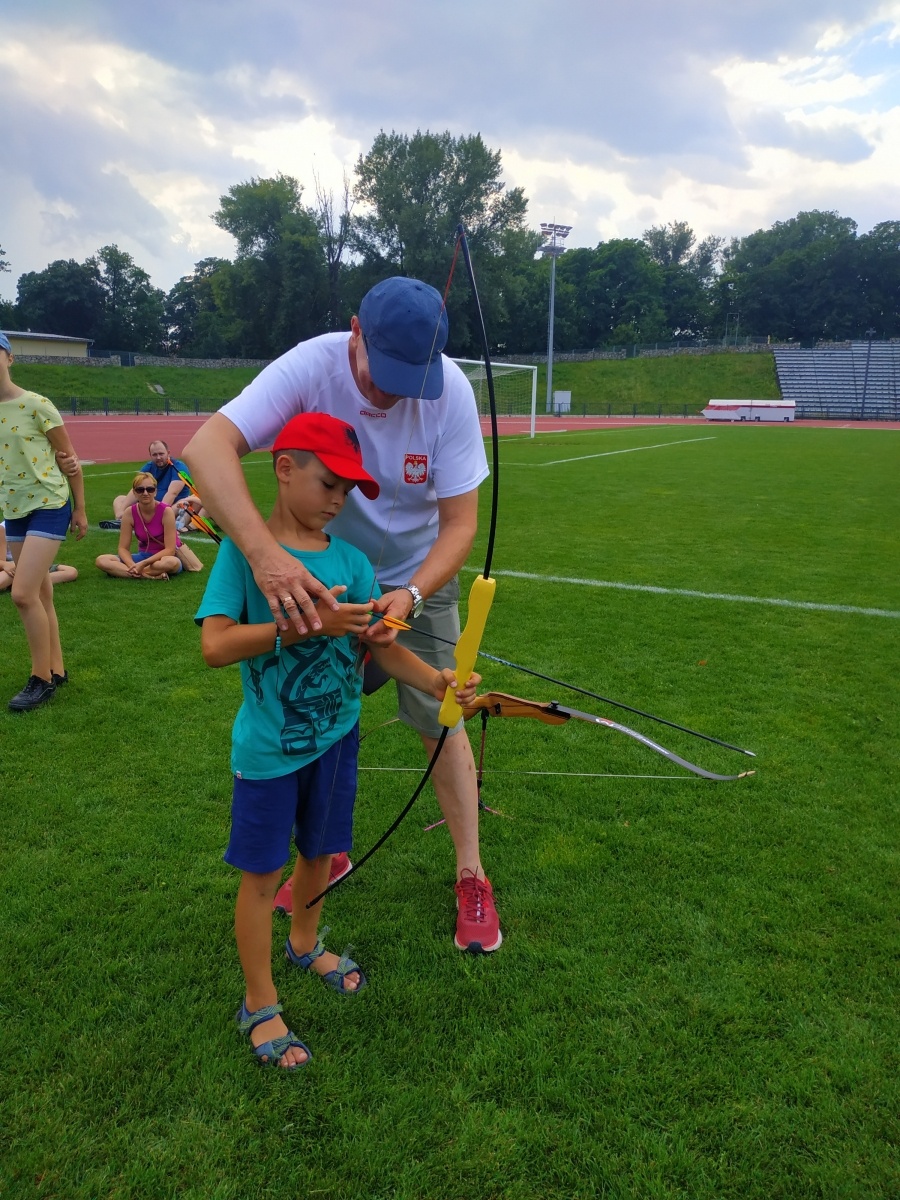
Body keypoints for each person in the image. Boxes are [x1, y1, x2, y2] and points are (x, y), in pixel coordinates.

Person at [183, 276, 503, 953]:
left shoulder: (448, 390)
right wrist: (268, 557)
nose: (393, 393)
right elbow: (205, 449)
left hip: (419, 575)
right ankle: (321, 852)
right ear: (356, 332)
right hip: (323, 574)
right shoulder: (311, 363)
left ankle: (471, 874)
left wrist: (411, 594)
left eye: (411, 378)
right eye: (383, 374)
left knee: (436, 716)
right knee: (316, 710)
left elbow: (460, 523)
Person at [196, 413, 479, 1069]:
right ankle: (258, 1001)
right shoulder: (246, 554)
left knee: (321, 852)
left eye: (347, 492)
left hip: (336, 742)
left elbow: (385, 647)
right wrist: (306, 626)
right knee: (262, 876)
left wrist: (439, 681)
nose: (336, 501)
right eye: (328, 483)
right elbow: (214, 645)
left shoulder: (352, 561)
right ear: (284, 468)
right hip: (269, 756)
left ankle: (304, 941)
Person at [0, 330, 87, 711]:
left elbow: (70, 460)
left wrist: (80, 509)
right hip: (13, 509)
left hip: (49, 502)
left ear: (9, 358)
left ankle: (40, 679)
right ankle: (57, 669)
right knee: (41, 594)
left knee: (22, 593)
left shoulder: (37, 404)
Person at [94, 471, 202, 580]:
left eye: (150, 489)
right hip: (143, 556)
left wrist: (143, 564)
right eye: (140, 490)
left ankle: (130, 573)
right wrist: (132, 564)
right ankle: (146, 575)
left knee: (171, 562)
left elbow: (170, 550)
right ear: (135, 493)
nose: (145, 493)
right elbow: (123, 548)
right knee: (102, 560)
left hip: (164, 558)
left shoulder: (166, 511)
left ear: (155, 492)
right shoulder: (129, 513)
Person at [101, 439, 192, 529]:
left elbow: (172, 493)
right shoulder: (148, 467)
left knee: (182, 505)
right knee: (120, 499)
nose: (158, 457)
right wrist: (122, 510)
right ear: (150, 455)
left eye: (161, 454)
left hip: (169, 506)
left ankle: (143, 520)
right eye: (155, 455)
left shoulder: (179, 468)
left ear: (168, 453)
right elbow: (136, 489)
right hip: (149, 504)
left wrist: (160, 512)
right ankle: (121, 520)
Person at [1, 520, 78, 592]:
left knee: (71, 572)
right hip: (13, 565)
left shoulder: (40, 525)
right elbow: (2, 561)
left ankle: (22, 583)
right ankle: (22, 583)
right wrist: (5, 564)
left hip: (33, 563)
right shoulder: (4, 528)